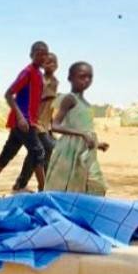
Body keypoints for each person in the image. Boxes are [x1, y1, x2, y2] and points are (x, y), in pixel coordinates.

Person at [0, 41, 49, 197]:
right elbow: (9, 94)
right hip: (22, 122)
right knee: (38, 152)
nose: (42, 56)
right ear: (32, 55)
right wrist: (21, 117)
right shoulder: (27, 73)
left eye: (45, 54)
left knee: (7, 154)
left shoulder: (39, 75)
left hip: (28, 122)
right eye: (39, 53)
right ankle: (44, 191)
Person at [46, 62, 109, 194]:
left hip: (85, 150)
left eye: (89, 77)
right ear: (70, 78)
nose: (86, 80)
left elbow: (84, 127)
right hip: (69, 150)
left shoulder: (85, 103)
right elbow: (55, 126)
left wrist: (98, 144)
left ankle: (83, 210)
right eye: (82, 76)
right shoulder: (70, 99)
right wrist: (82, 134)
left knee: (94, 184)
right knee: (66, 184)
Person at [14, 52, 59, 191]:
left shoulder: (55, 82)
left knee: (36, 153)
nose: (50, 64)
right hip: (34, 122)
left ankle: (21, 183)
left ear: (57, 65)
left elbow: (50, 106)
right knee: (48, 148)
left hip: (45, 125)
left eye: (53, 62)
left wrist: (51, 126)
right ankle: (42, 186)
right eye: (47, 62)